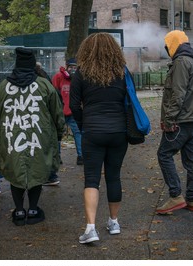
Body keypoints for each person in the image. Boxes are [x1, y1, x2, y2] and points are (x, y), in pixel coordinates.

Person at [0, 47, 65, 226]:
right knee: (36, 171)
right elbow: (57, 112)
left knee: (15, 171)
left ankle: (19, 211)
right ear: (32, 65)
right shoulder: (44, 85)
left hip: (11, 137)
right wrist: (59, 132)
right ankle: (32, 208)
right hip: (38, 137)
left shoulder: (3, 86)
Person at [69, 33, 129, 244]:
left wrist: (84, 124)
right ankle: (114, 223)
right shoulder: (122, 73)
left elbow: (74, 105)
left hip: (93, 132)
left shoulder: (81, 74)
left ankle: (91, 228)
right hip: (119, 132)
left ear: (87, 50)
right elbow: (128, 102)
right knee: (114, 176)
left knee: (91, 179)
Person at [156, 30, 193, 215]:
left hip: (181, 120)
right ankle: (192, 199)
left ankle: (176, 195)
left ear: (173, 44)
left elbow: (178, 94)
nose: (166, 48)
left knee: (164, 154)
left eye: (167, 45)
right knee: (191, 159)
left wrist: (168, 119)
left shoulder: (180, 63)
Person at [52, 58, 83, 166]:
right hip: (60, 111)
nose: (73, 70)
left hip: (73, 111)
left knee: (78, 133)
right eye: (71, 67)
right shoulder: (58, 77)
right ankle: (57, 156)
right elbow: (53, 93)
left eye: (75, 68)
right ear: (66, 67)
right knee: (57, 135)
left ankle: (81, 156)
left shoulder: (79, 78)